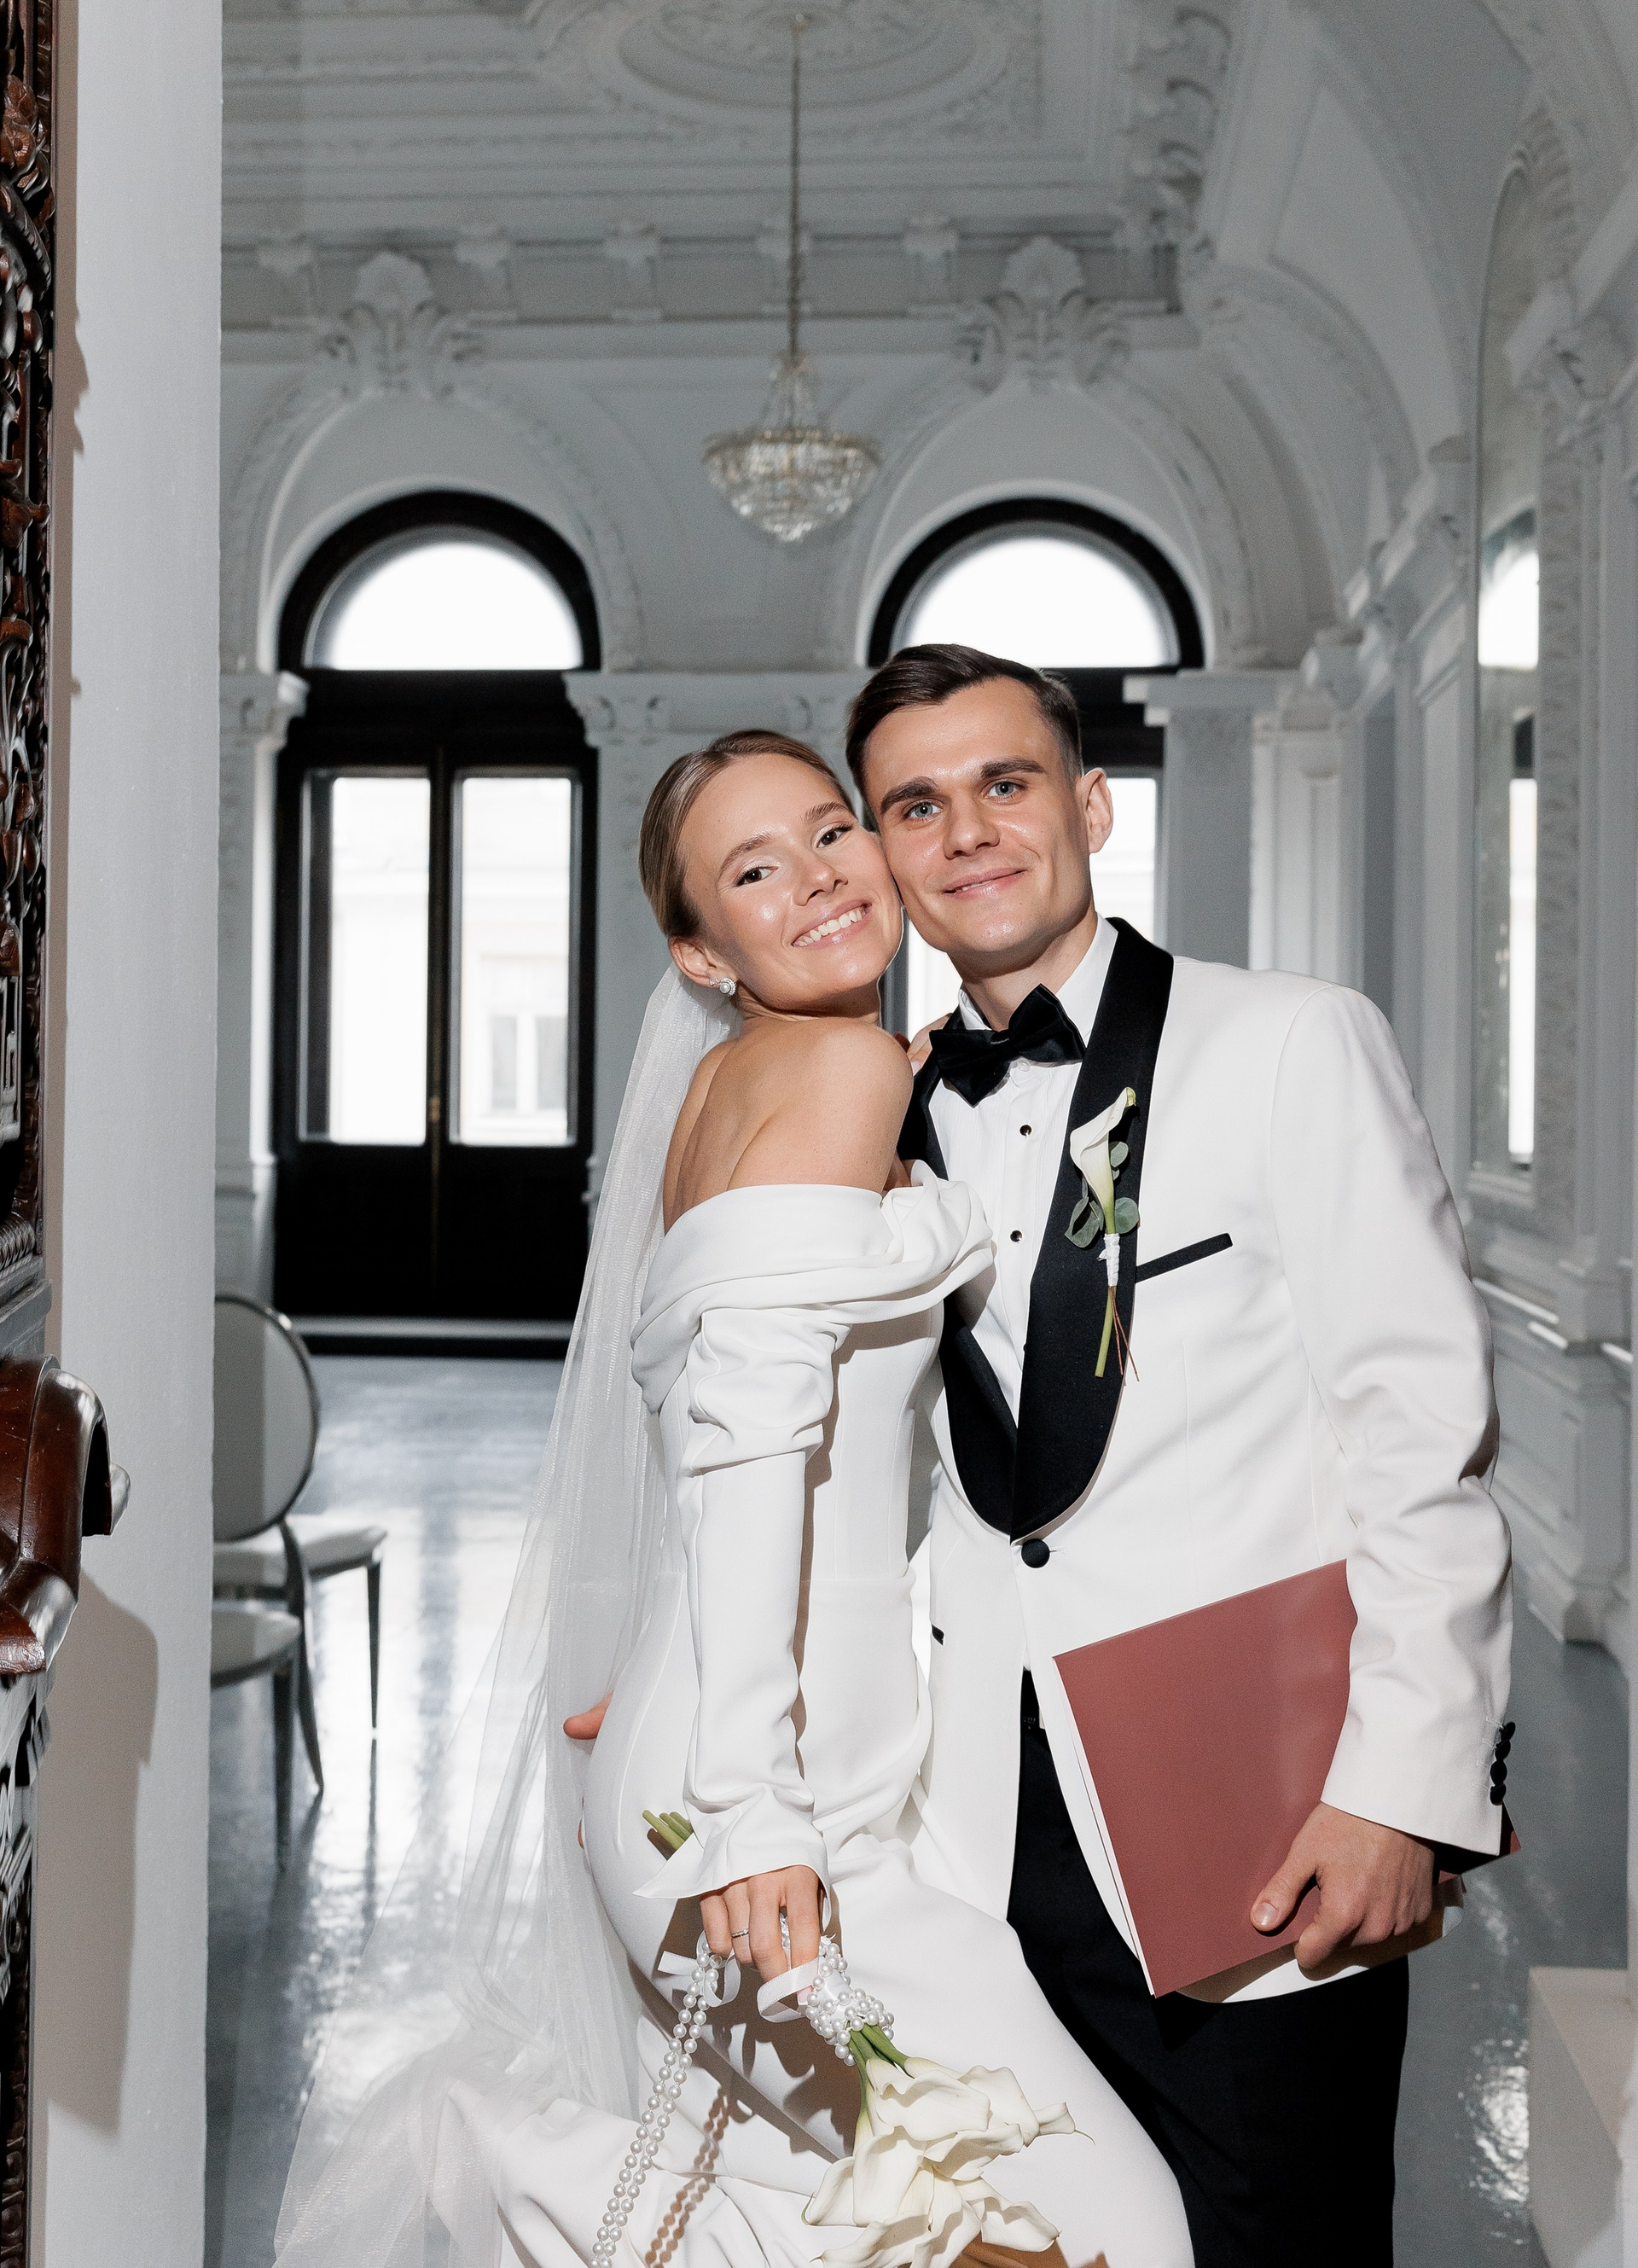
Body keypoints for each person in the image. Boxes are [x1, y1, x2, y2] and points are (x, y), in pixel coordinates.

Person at [276, 727, 1192, 2268]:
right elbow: (753, 1444)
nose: (820, 877)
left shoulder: (733, 1093)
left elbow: (689, 1439)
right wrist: (750, 1809)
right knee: (1111, 2228)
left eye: (831, 831)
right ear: (704, 951)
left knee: (837, 2225)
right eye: (757, 870)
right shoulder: (841, 1070)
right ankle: (501, 2155)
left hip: (718, 1768)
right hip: (763, 1818)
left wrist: (661, 1684)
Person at [842, 643, 1513, 2268]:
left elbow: (1419, 1432)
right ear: (884, 855)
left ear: (1090, 808)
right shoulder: (881, 1114)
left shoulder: (1290, 1041)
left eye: (1005, 783)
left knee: (1283, 2236)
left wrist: (1403, 1790)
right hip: (976, 1832)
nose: (966, 831)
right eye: (916, 805)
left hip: (1258, 1816)